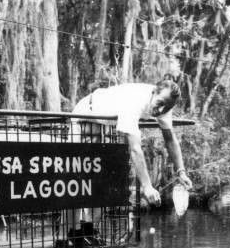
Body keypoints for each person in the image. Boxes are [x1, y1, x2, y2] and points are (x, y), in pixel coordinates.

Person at [72, 76, 193, 207]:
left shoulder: (165, 103)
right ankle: (74, 224)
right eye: (159, 104)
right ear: (153, 93)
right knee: (76, 173)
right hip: (85, 114)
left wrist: (181, 172)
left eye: (166, 108)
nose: (160, 111)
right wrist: (147, 186)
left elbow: (170, 139)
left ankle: (90, 225)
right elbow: (135, 148)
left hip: (103, 124)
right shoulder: (135, 101)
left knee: (100, 178)